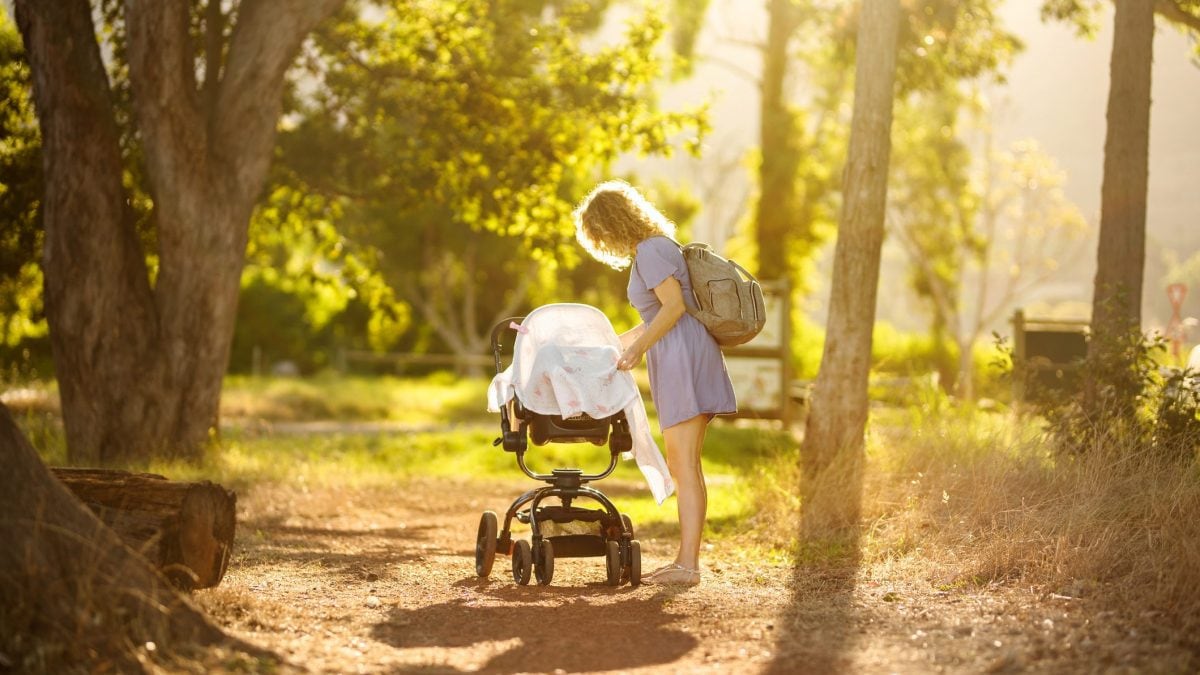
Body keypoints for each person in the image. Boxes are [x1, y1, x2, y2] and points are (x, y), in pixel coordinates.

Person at [573, 180, 737, 586]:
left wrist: (639, 350)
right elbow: (656, 316)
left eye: (600, 234)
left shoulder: (650, 250)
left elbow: (675, 307)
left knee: (683, 466)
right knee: (687, 466)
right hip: (681, 354)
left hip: (682, 358)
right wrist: (612, 345)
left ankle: (688, 566)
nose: (603, 243)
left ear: (611, 223)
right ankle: (686, 563)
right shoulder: (657, 246)